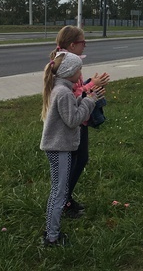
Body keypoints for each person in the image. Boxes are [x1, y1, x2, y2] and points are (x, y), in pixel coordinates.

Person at [40, 51, 102, 247]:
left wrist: (86, 97)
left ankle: (52, 230)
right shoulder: (64, 92)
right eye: (79, 70)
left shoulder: (61, 89)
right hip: (59, 148)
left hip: (59, 146)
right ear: (69, 72)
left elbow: (71, 111)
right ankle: (52, 236)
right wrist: (89, 101)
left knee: (60, 190)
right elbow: (73, 120)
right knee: (59, 192)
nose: (81, 73)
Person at [51, 26, 110, 218]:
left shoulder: (70, 62)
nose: (85, 45)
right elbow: (73, 94)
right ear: (72, 44)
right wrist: (93, 86)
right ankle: (64, 201)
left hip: (80, 120)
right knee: (75, 161)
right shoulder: (66, 65)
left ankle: (66, 198)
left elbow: (78, 90)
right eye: (83, 42)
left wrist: (93, 85)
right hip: (74, 122)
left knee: (80, 159)